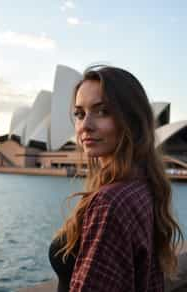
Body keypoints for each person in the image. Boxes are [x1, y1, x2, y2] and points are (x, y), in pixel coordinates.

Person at [49, 66, 183, 292]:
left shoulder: (109, 202)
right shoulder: (143, 185)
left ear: (131, 120)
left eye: (102, 111)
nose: (86, 126)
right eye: (79, 113)